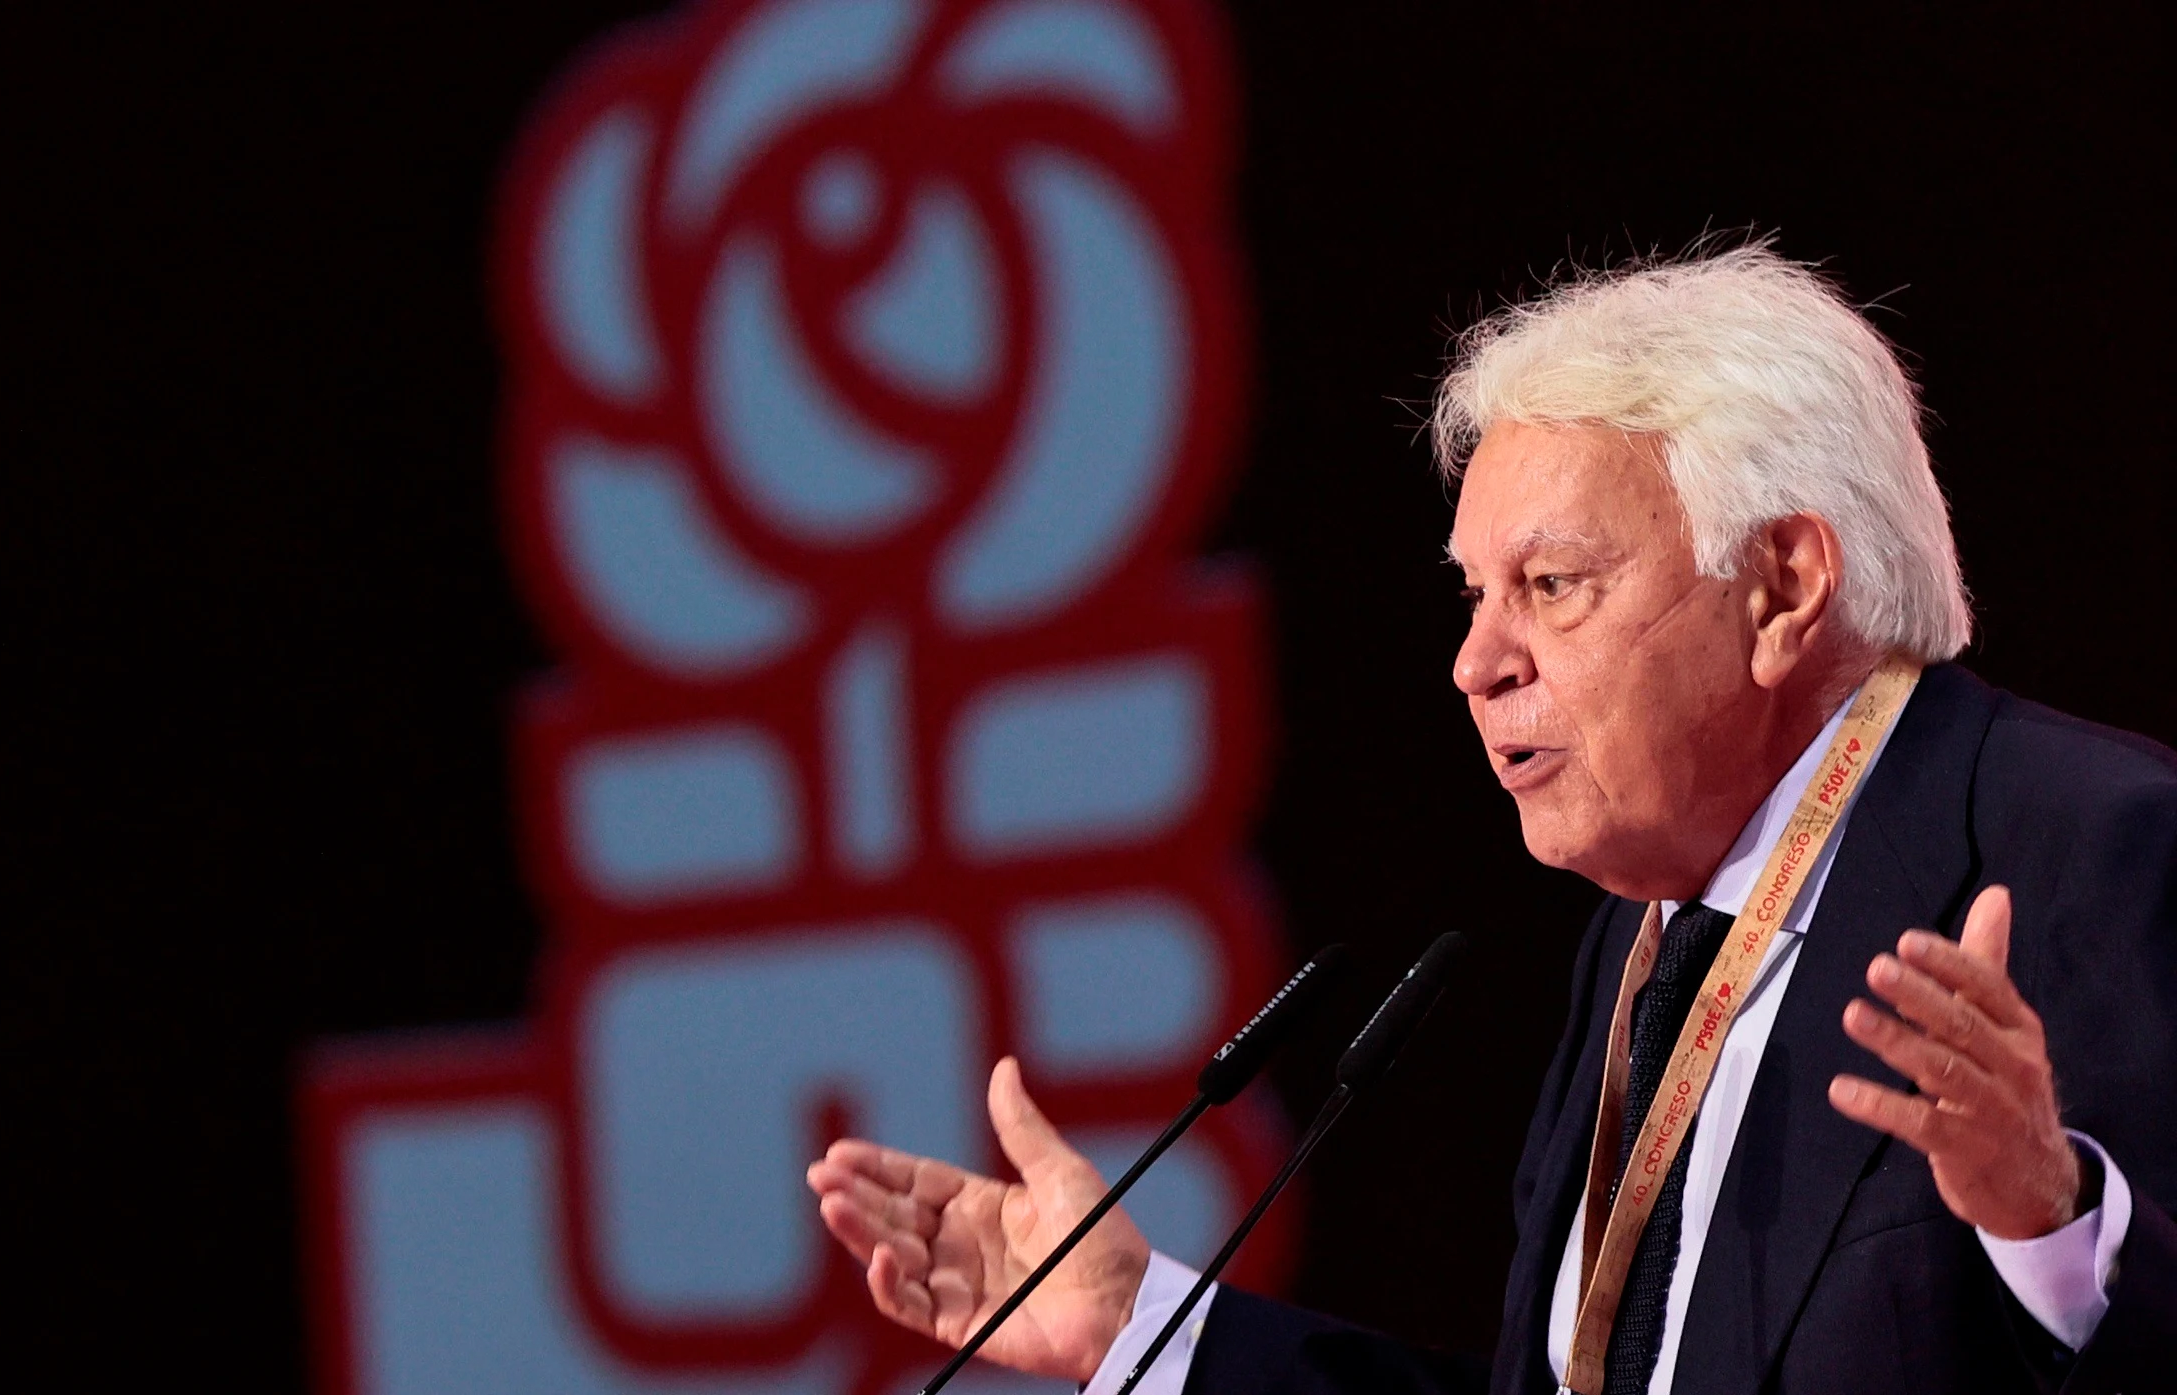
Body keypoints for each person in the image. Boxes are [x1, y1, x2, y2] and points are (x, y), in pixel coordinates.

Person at [804, 246, 2177, 1395]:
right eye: (1474, 596)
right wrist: (1138, 1322)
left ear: (1781, 584)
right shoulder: (1638, 953)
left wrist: (2054, 1219)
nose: (1478, 662)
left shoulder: (2100, 849)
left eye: (1554, 583)